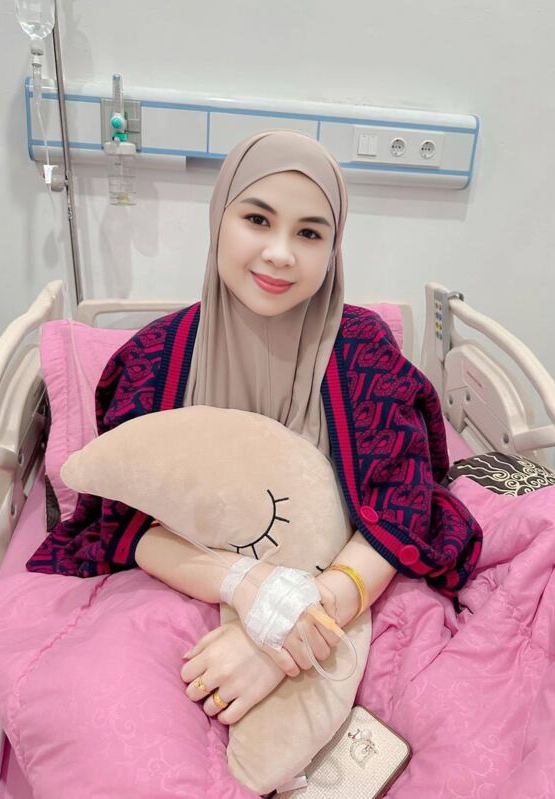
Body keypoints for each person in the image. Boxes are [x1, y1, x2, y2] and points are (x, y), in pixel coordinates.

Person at [27, 130, 482, 727]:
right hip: (187, 590)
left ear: (333, 249)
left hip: (348, 592)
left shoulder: (363, 350)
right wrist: (250, 588)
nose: (280, 253)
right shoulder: (152, 363)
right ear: (219, 219)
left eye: (310, 234)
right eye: (258, 220)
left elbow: (399, 510)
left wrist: (285, 629)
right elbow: (127, 524)